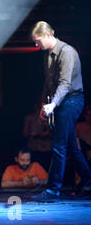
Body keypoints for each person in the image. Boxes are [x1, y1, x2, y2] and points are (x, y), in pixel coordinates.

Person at [30, 21, 91, 201]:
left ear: (48, 35)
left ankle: (53, 190)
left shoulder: (67, 52)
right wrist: (44, 105)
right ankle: (88, 181)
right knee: (71, 146)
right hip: (59, 101)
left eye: (38, 40)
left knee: (58, 145)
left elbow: (65, 84)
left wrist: (53, 104)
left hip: (72, 100)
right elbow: (48, 85)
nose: (36, 45)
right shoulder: (47, 55)